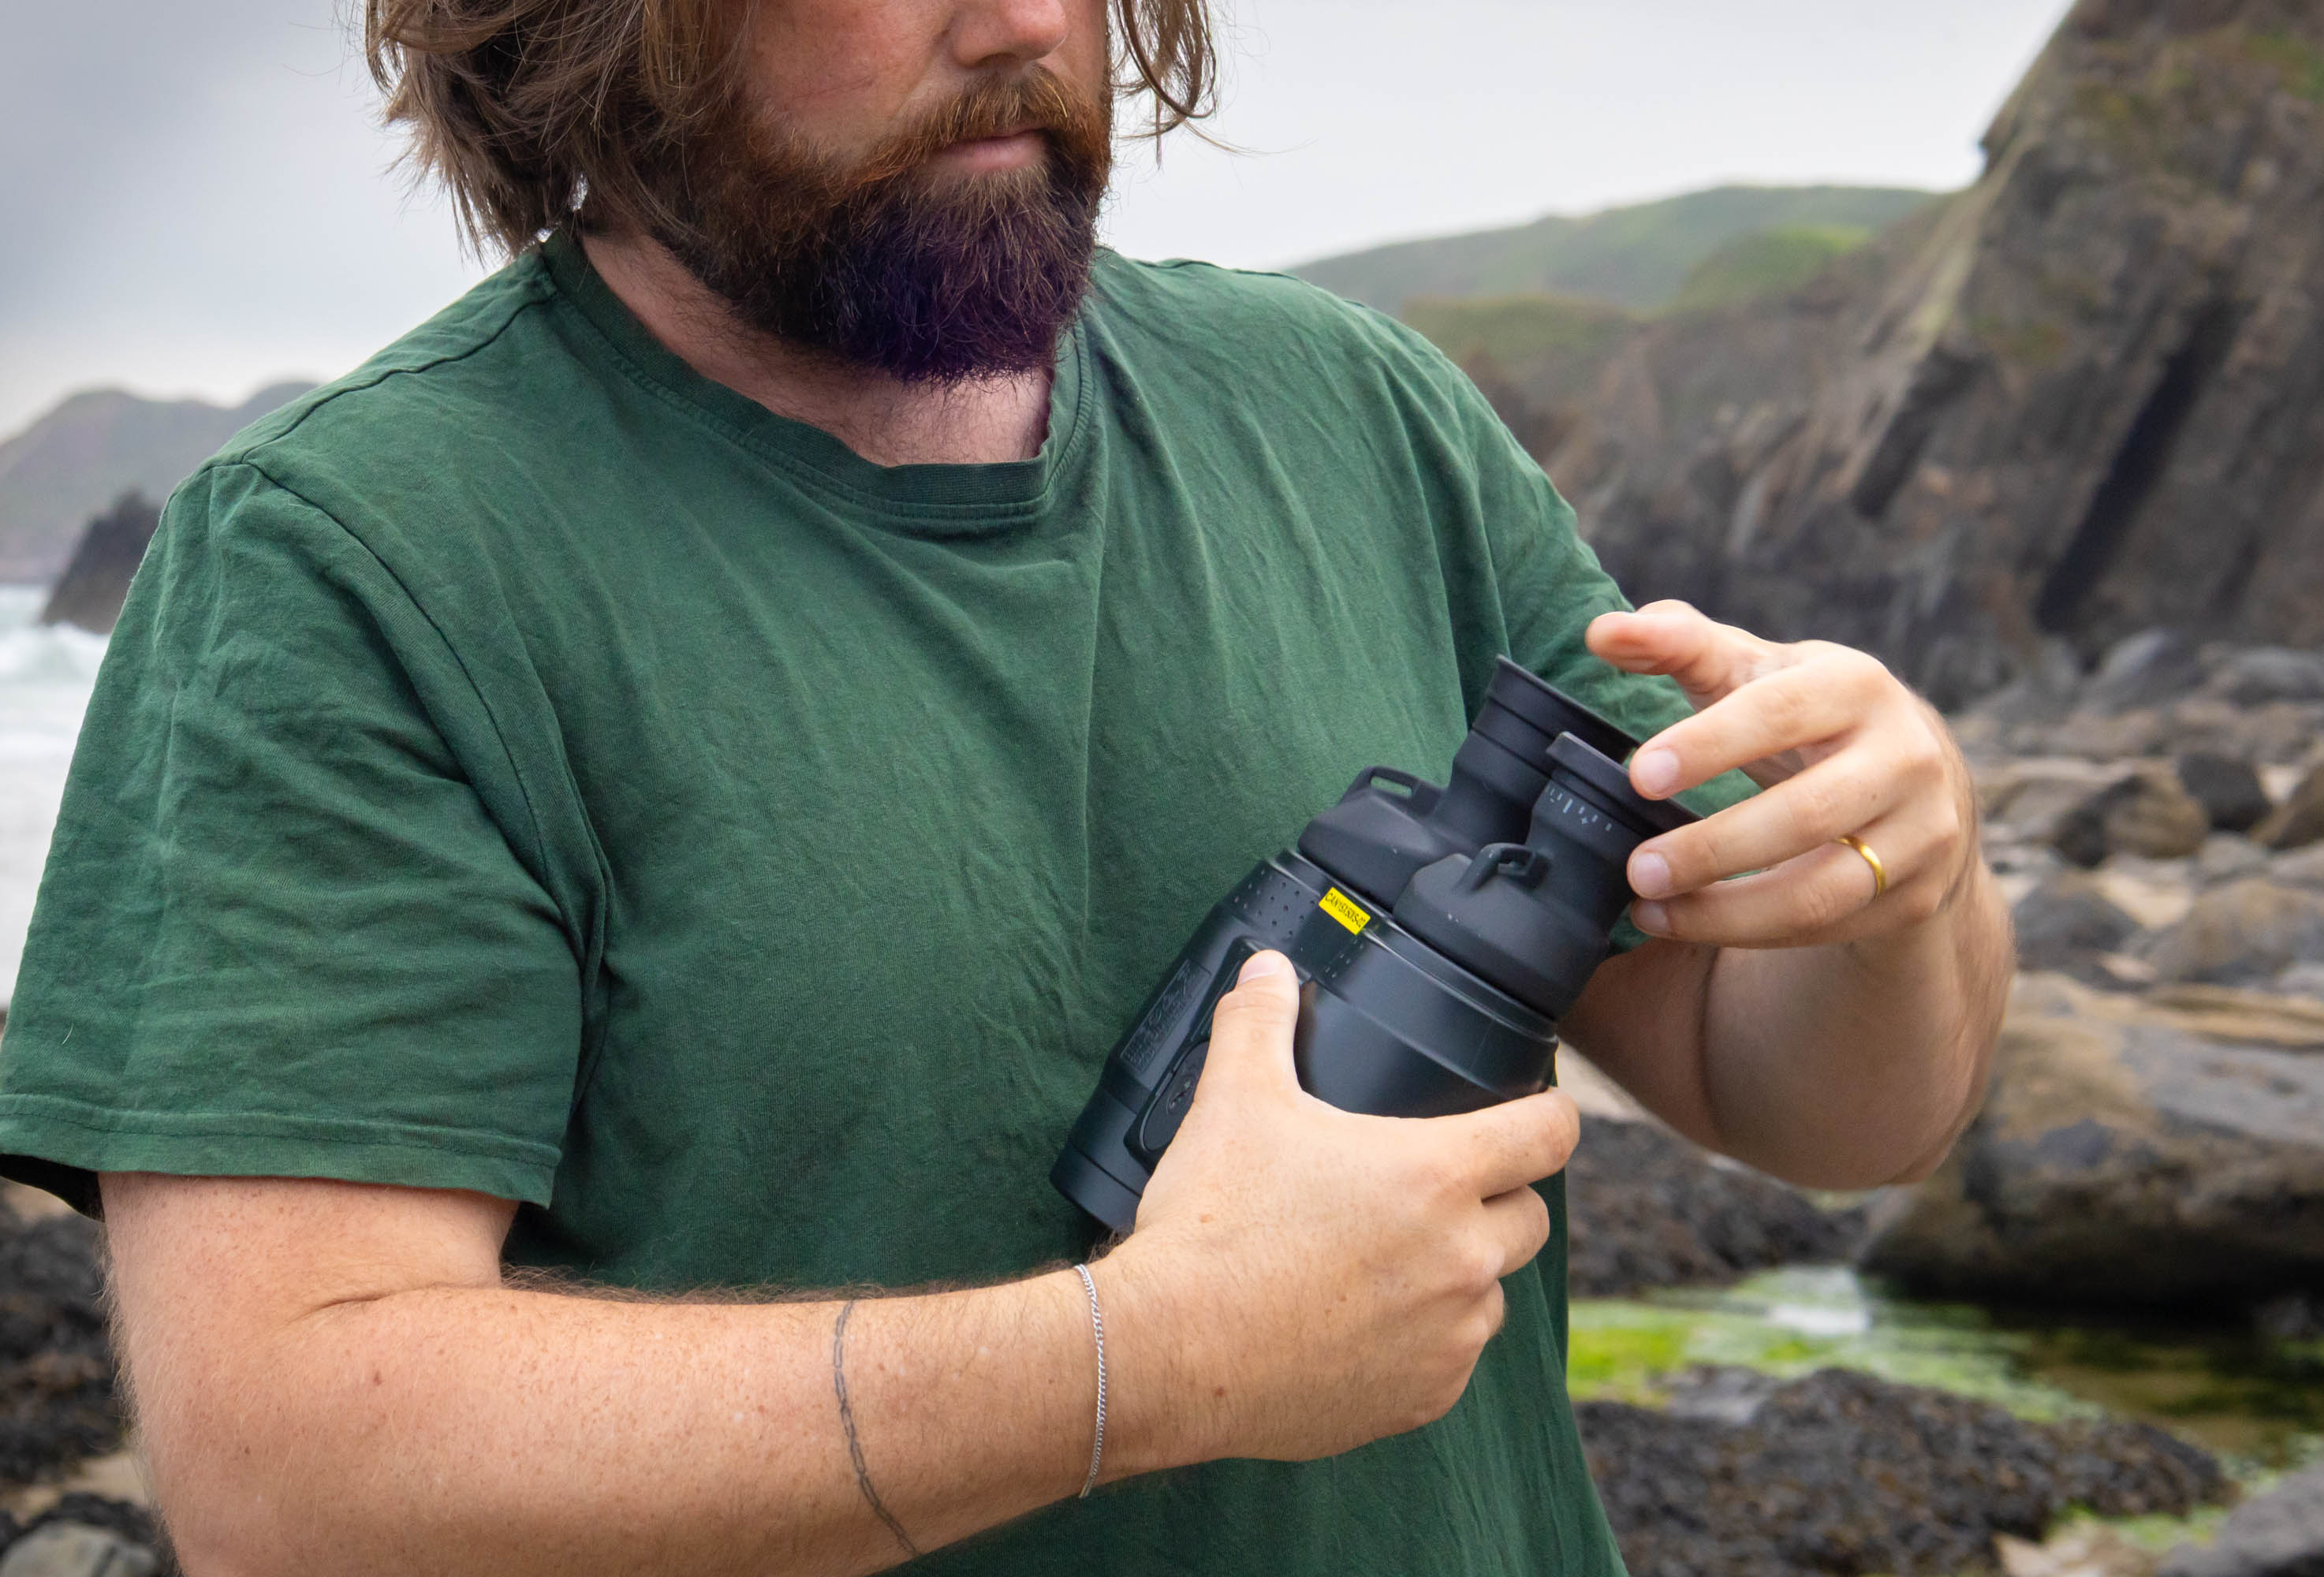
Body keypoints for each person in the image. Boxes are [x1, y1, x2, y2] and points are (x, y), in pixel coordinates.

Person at [0, 0, 2011, 1571]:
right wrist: (1139, 1364)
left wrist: (1900, 880)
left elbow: (1825, 1107)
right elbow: (292, 1472)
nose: (1019, 33)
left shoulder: (1356, 418)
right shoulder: (357, 564)